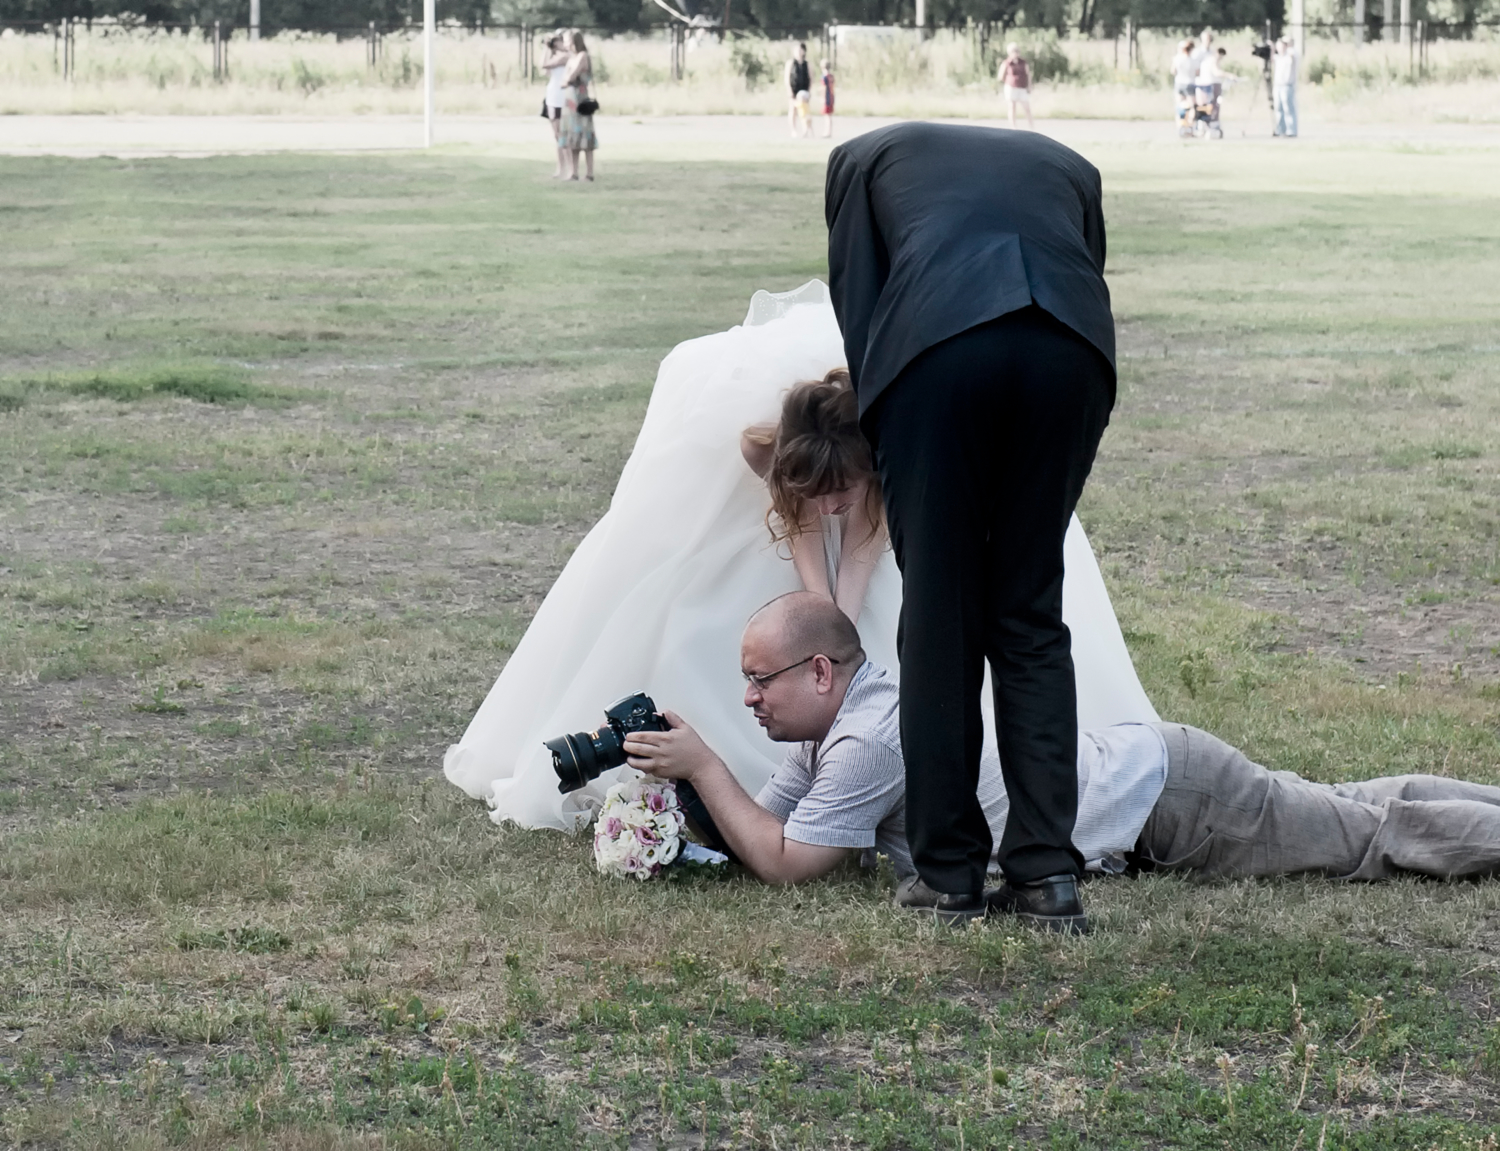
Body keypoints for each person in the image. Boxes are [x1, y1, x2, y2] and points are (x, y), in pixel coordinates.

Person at [443, 282, 1157, 833]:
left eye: (841, 492)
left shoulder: (888, 466)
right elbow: (806, 526)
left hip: (890, 516)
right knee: (722, 610)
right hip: (805, 487)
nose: (832, 506)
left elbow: (859, 559)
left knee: (874, 625)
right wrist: (810, 608)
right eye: (819, 492)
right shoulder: (767, 449)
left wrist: (836, 637)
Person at [825, 123, 1120, 927]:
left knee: (942, 616)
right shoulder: (1072, 162)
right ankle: (1047, 876)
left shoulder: (858, 159)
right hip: (1073, 353)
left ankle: (950, 870)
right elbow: (1083, 268)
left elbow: (862, 301)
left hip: (939, 350)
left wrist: (887, 433)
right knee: (1028, 609)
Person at [739, 370, 885, 623]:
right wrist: (821, 604)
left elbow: (868, 532)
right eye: (815, 494)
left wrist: (845, 623)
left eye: (842, 489)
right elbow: (801, 520)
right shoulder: (760, 447)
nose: (826, 509)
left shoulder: (884, 452)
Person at [561, 30, 598, 182]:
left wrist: (567, 79)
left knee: (585, 137)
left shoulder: (583, 56)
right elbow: (564, 80)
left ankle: (589, 173)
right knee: (572, 138)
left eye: (566, 40)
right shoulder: (571, 58)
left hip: (581, 100)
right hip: (570, 100)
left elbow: (570, 77)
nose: (564, 44)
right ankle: (573, 172)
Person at [540, 33, 571, 179]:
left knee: (565, 135)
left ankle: (571, 168)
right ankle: (561, 168)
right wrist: (547, 49)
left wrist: (551, 49)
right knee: (557, 136)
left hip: (564, 98)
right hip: (552, 97)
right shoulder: (554, 56)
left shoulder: (567, 56)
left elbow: (546, 65)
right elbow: (544, 69)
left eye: (558, 40)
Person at [998, 42, 1033, 130]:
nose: (1016, 53)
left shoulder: (1023, 62)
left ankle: (1031, 126)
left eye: (1017, 51)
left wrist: (1029, 85)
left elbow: (1028, 74)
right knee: (1012, 107)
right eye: (1013, 51)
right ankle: (1013, 127)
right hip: (1011, 87)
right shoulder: (1006, 63)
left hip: (1021, 87)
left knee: (1026, 107)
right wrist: (1010, 81)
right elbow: (1000, 76)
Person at [1273, 37, 1299, 138]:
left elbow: (1292, 56)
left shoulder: (1291, 55)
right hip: (1278, 85)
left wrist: (1288, 46)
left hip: (1287, 85)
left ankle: (1291, 130)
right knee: (1278, 108)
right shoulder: (1279, 57)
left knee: (1288, 108)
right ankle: (1280, 129)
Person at [1170, 39, 1198, 136]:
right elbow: (1198, 73)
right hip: (1190, 83)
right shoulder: (1193, 60)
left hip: (1179, 83)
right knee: (1192, 107)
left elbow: (1173, 71)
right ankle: (1190, 127)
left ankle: (1180, 125)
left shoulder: (1177, 58)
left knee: (1179, 105)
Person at [786, 43, 812, 138]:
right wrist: (790, 91)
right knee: (793, 110)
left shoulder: (807, 64)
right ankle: (794, 130)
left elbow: (810, 78)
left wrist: (809, 91)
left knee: (804, 111)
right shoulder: (790, 63)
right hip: (794, 90)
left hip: (804, 91)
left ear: (803, 51)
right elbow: (787, 78)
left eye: (800, 50)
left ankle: (805, 129)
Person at [819, 58, 835, 139]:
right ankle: (828, 131)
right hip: (832, 97)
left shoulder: (824, 77)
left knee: (827, 116)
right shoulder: (831, 76)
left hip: (827, 98)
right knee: (829, 116)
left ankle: (827, 132)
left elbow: (824, 88)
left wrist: (823, 98)